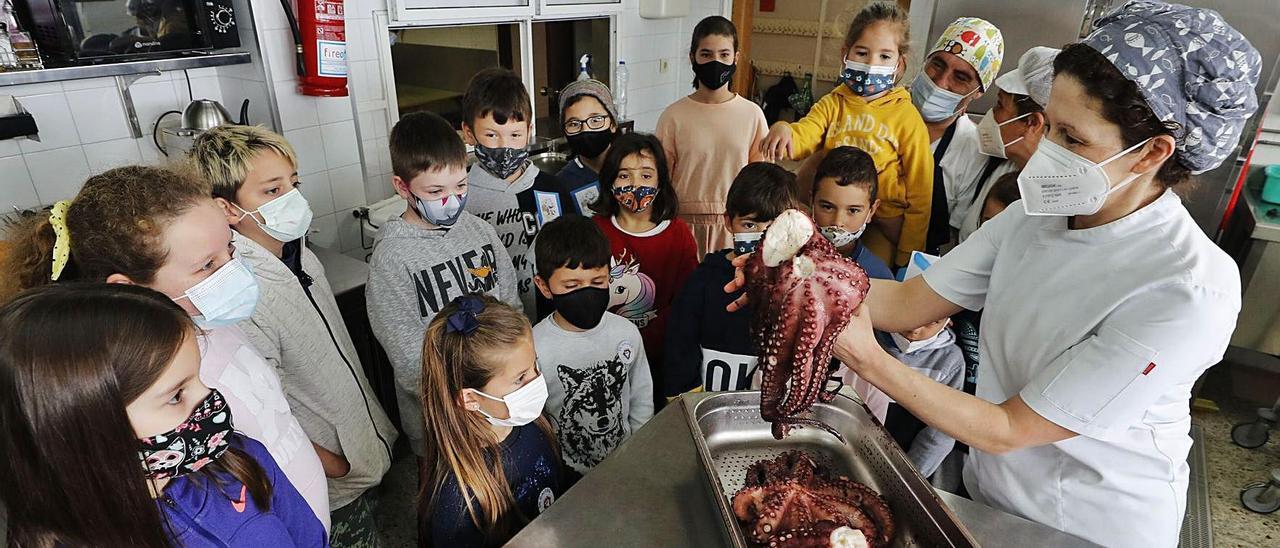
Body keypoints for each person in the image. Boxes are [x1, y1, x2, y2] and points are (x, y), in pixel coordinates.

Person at [768, 4, 1260, 545]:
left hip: (1086, 527)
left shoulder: (1187, 289)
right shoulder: (1034, 216)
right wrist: (798, 281)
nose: (1048, 150)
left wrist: (867, 356)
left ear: (1152, 154)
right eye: (1050, 125)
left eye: (1073, 139)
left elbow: (1011, 428)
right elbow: (908, 302)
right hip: (991, 498)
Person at [1, 164, 330, 528]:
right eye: (207, 265)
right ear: (128, 289)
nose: (234, 269)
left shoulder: (215, 322)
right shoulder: (148, 382)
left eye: (230, 250)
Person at [191, 125, 399, 545]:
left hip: (362, 453)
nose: (292, 198)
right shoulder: (242, 292)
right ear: (229, 209)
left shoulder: (295, 253)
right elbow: (259, 413)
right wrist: (333, 464)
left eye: (293, 183)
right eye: (272, 191)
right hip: (329, 482)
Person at [0, 283, 327, 547]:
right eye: (176, 396)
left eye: (200, 378)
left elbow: (311, 540)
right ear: (82, 428)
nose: (210, 398)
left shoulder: (242, 460)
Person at [368, 111, 519, 458]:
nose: (452, 201)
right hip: (442, 426)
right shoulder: (392, 259)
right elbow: (409, 362)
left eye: (461, 186)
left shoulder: (480, 232)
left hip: (500, 405)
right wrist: (471, 400)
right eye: (435, 191)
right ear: (402, 186)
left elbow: (512, 310)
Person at [760, 1, 932, 268]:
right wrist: (785, 130)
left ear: (900, 64)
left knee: (868, 282)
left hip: (881, 225)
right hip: (832, 216)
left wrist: (907, 254)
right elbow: (807, 132)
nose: (872, 63)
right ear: (846, 54)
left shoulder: (907, 118)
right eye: (862, 53)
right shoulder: (834, 103)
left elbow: (921, 194)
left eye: (884, 56)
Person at [418, 295, 563, 547]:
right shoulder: (457, 502)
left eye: (534, 366)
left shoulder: (533, 423)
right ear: (471, 398)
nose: (536, 380)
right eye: (520, 378)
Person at [532, 215, 654, 475]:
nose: (587, 292)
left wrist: (639, 452)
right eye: (571, 285)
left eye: (598, 282)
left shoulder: (627, 333)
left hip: (625, 466)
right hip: (565, 475)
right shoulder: (533, 346)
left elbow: (641, 397)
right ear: (544, 286)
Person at [665, 163, 799, 397]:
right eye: (749, 224)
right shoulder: (702, 280)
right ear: (728, 221)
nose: (763, 235)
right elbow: (680, 349)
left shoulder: (800, 284)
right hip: (709, 405)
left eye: (774, 225)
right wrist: (688, 401)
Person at [591, 133, 698, 409]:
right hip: (605, 358)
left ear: (661, 180)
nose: (636, 185)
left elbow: (686, 303)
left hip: (663, 361)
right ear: (609, 180)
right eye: (624, 176)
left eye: (646, 175)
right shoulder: (595, 230)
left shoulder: (678, 234)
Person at [462, 67, 575, 319]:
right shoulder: (460, 200)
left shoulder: (553, 189)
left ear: (529, 130)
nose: (505, 147)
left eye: (515, 135)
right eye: (491, 135)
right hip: (493, 330)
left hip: (552, 324)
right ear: (469, 133)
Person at [656, 15, 769, 257]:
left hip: (735, 225)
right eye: (706, 54)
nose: (715, 62)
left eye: (724, 55)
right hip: (682, 224)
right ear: (692, 58)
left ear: (736, 58)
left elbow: (761, 182)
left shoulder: (752, 115)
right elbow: (660, 178)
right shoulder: (673, 116)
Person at [911, 17, 1005, 253]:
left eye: (960, 77)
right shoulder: (879, 110)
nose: (941, 82)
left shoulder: (973, 150)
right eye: (938, 64)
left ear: (978, 92)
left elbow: (951, 241)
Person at [954, 47, 1057, 243]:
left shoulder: (1049, 197)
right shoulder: (995, 164)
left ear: (1032, 123)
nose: (992, 114)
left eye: (1000, 105)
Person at [879, 264, 964, 479]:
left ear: (948, 322)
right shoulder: (868, 337)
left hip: (903, 460)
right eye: (911, 314)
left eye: (933, 321)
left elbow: (939, 434)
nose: (916, 329)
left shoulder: (948, 362)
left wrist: (908, 479)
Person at [810, 146, 894, 281]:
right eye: (827, 207)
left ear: (871, 211)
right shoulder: (785, 258)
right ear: (811, 202)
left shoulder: (878, 276)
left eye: (853, 210)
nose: (837, 222)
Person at [557, 78, 619, 215]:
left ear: (613, 124)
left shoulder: (634, 168)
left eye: (596, 120)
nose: (585, 129)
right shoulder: (562, 184)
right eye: (574, 124)